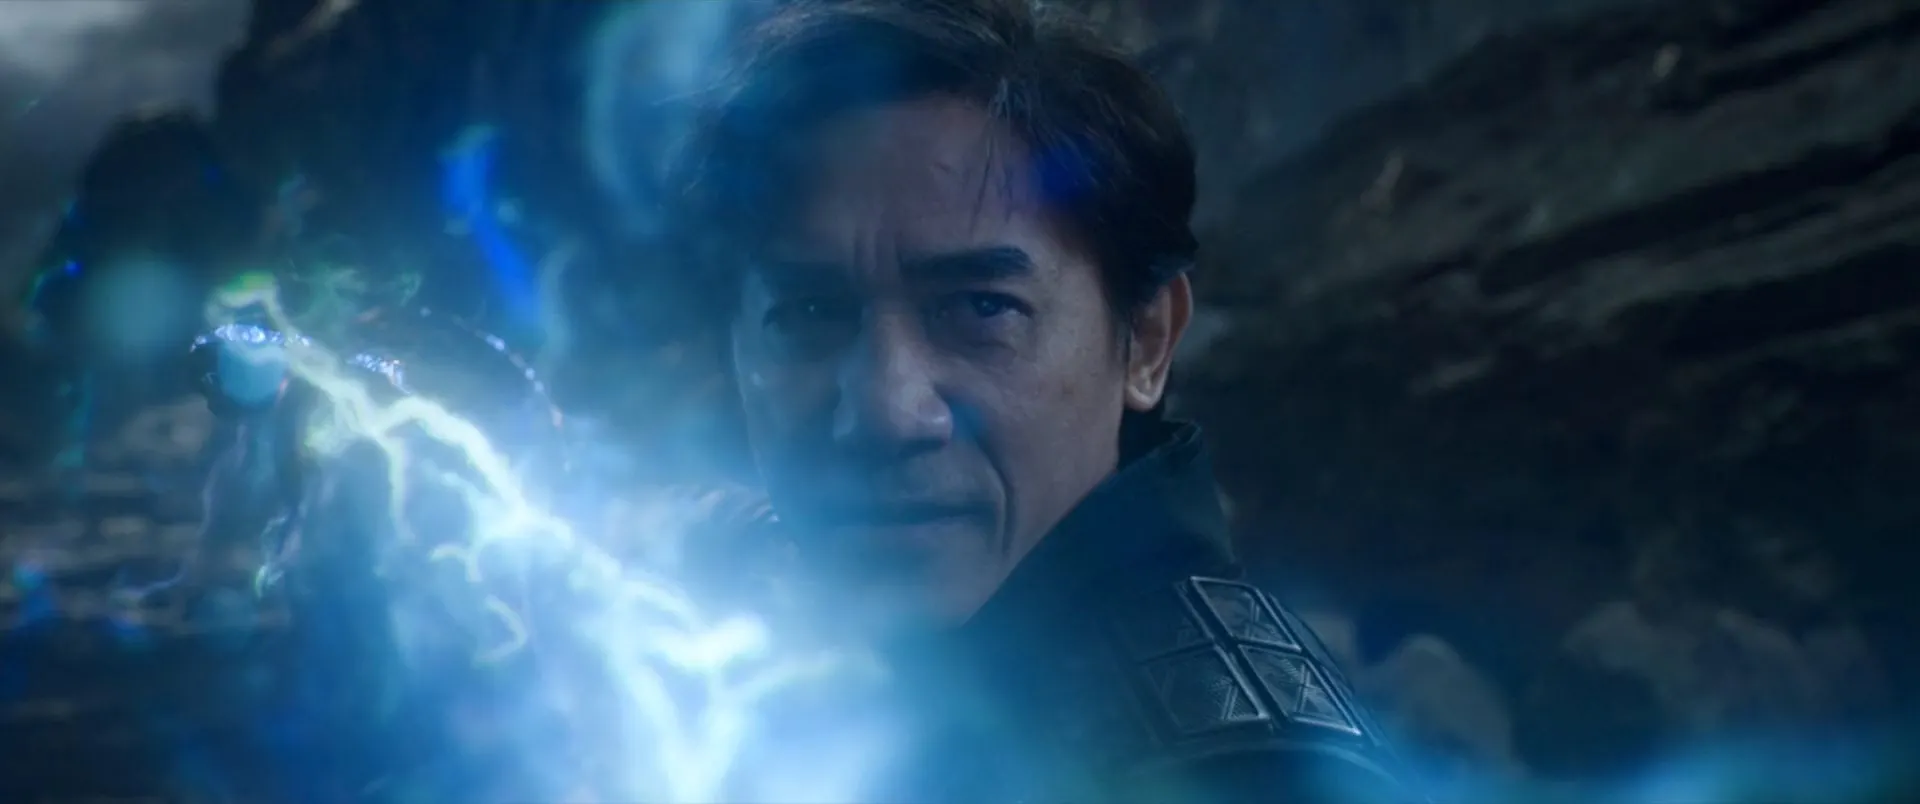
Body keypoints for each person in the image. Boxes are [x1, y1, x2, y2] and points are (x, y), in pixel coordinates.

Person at [667, 0, 1424, 800]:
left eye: (982, 307)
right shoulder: (833, 690)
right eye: (809, 313)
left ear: (1146, 340)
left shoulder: (1233, 776)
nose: (886, 411)